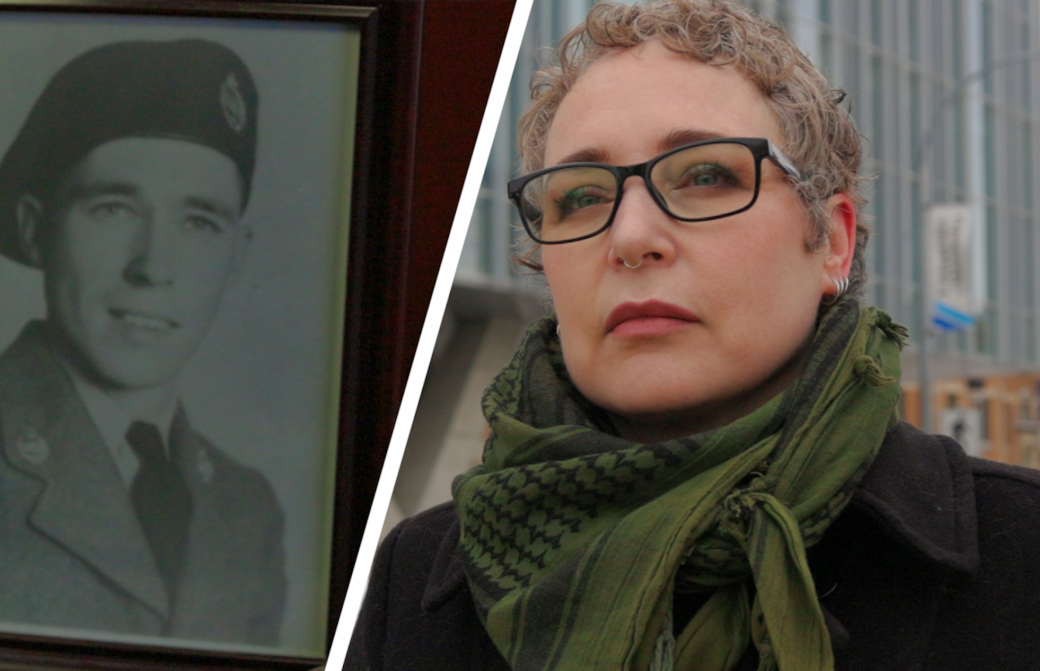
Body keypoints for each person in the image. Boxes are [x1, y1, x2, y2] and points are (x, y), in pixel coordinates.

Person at [345, 1, 1040, 669]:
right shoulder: (411, 589)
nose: (632, 237)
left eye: (706, 175)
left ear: (831, 241)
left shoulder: (1021, 558)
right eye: (582, 194)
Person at [0, 39, 285, 645]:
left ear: (237, 256)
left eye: (199, 222)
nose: (153, 266)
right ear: (34, 229)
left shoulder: (246, 508)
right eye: (113, 209)